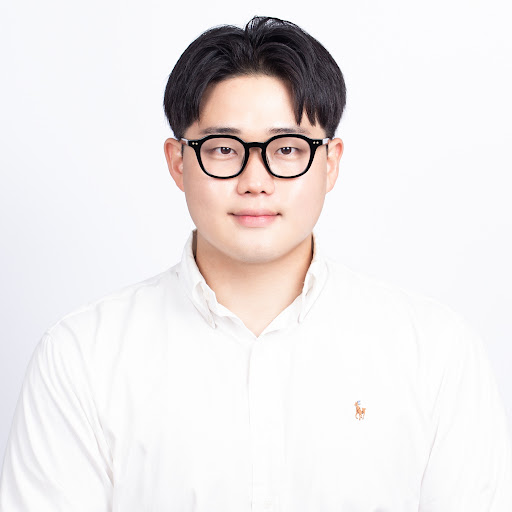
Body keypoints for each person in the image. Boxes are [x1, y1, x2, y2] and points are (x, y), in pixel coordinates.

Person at [0, 15, 511, 512]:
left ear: (330, 163)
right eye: (224, 149)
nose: (255, 181)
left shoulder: (434, 353)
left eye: (287, 148)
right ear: (178, 163)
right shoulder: (83, 357)